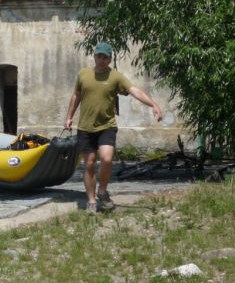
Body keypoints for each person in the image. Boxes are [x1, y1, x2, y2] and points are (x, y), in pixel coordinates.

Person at [64, 42, 163, 213]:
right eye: (99, 56)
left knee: (107, 159)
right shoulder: (83, 75)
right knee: (89, 164)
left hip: (106, 126)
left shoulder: (115, 77)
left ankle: (102, 191)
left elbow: (134, 90)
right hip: (86, 128)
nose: (101, 60)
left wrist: (153, 104)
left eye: (105, 57)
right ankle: (91, 200)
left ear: (110, 59)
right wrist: (69, 117)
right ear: (94, 56)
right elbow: (76, 96)